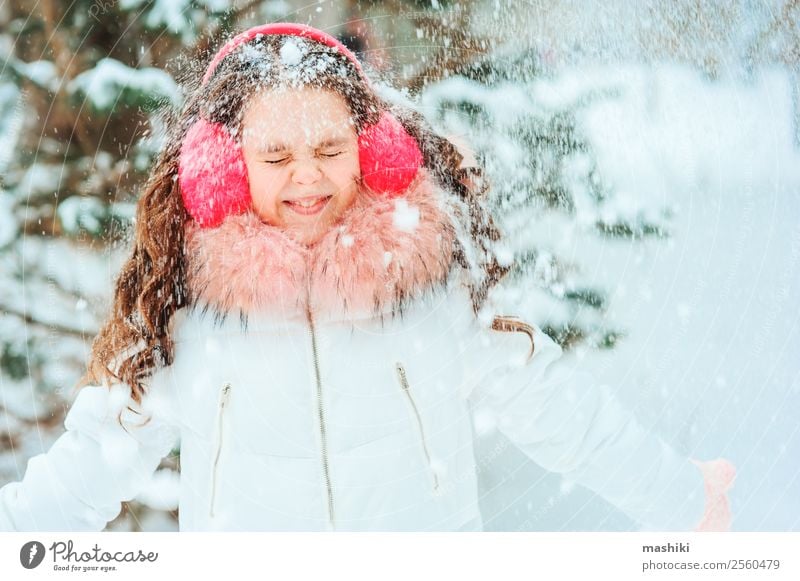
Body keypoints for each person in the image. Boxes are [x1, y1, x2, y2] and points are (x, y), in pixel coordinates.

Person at [0, 23, 735, 532]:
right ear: (221, 170)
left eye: (328, 146)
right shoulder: (191, 317)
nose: (307, 176)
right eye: (276, 155)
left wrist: (685, 499)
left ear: (376, 150)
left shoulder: (428, 292)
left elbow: (560, 410)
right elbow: (91, 464)